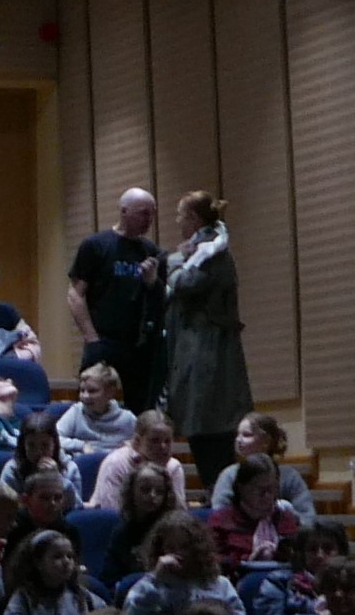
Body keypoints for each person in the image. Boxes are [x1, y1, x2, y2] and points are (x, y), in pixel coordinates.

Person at [154, 190, 249, 452]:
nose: (177, 221)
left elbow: (185, 283)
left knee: (209, 433)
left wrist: (174, 262)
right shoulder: (205, 248)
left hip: (206, 357)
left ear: (194, 219)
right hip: (197, 353)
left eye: (180, 216)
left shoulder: (211, 252)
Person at [66, 188, 163, 409]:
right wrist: (92, 339)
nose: (148, 220)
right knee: (92, 404)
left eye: (152, 214)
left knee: (141, 410)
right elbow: (75, 294)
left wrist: (152, 281)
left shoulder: (150, 251)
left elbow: (160, 299)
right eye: (143, 213)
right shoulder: (96, 245)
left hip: (138, 344)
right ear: (124, 211)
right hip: (103, 339)